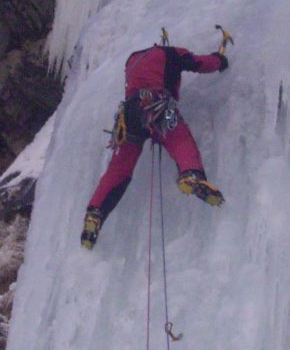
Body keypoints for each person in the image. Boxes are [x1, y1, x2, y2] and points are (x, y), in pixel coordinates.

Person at [81, 40, 228, 249]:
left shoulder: (132, 60)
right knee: (179, 138)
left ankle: (95, 213)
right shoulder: (171, 53)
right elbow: (198, 63)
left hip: (129, 115)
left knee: (119, 168)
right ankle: (191, 174)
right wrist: (219, 60)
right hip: (155, 103)